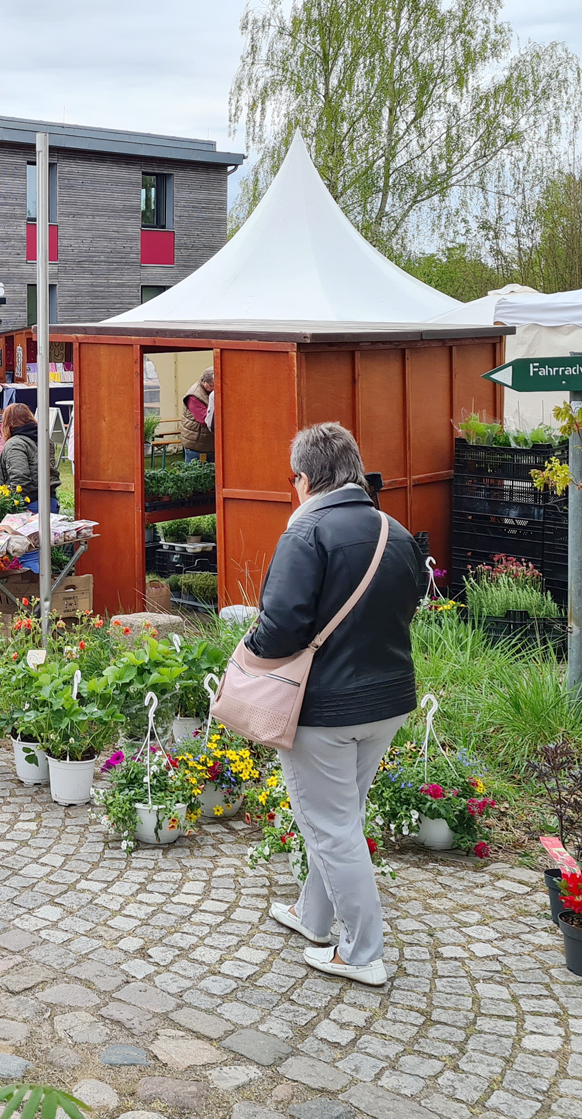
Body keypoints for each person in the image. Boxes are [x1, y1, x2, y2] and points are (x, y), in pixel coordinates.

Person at [251, 423, 427, 987]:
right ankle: (314, 914)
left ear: (303, 478)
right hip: (389, 699)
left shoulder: (306, 533)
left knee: (329, 826)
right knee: (341, 818)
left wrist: (247, 652)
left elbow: (279, 629)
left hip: (325, 707)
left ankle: (362, 952)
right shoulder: (394, 530)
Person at [0, 402, 59, 506]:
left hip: (30, 504)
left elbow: (20, 479)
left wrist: (17, 507)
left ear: (8, 423)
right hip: (50, 500)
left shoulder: (15, 444)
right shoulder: (44, 440)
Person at [183, 367, 216, 461]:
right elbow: (205, 420)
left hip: (208, 443)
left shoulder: (209, 391)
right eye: (211, 386)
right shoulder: (194, 396)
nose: (215, 389)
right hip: (197, 446)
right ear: (204, 381)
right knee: (194, 473)